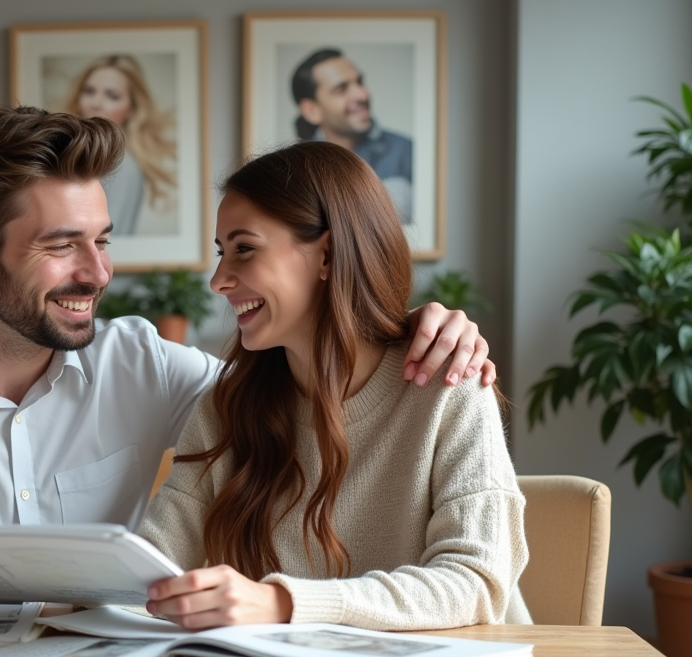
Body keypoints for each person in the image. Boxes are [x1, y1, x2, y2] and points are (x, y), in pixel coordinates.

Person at [0, 107, 496, 633]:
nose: (98, 272)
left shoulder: (155, 368)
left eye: (102, 240)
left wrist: (429, 327)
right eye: (62, 245)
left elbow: (327, 391)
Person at [139, 141, 529, 632]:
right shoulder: (226, 406)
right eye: (222, 253)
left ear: (326, 255)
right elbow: (152, 567)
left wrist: (283, 604)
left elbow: (475, 582)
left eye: (244, 249)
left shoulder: (447, 383)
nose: (218, 279)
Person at [291, 48, 413, 223]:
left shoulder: (407, 151)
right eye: (341, 89)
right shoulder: (293, 171)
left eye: (360, 82)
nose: (362, 95)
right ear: (312, 110)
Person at [65, 55, 176, 235]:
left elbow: (110, 239)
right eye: (89, 91)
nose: (96, 103)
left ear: (131, 109)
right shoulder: (94, 159)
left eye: (113, 96)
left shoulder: (120, 166)